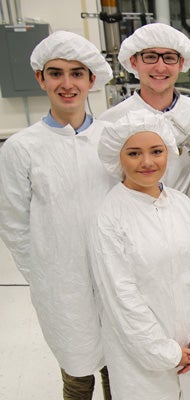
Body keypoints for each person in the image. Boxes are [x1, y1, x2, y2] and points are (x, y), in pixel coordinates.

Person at [0, 31, 115, 399]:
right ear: (40, 78)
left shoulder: (113, 140)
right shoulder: (22, 147)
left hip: (115, 277)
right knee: (77, 373)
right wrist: (43, 275)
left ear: (91, 80)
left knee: (122, 367)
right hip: (61, 283)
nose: (67, 84)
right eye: (56, 73)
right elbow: (14, 221)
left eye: (77, 73)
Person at [89, 110, 190, 400]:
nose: (147, 162)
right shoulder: (110, 216)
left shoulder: (181, 205)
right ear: (119, 158)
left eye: (156, 151)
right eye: (135, 153)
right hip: (142, 361)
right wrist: (167, 353)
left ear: (168, 153)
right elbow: (122, 299)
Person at [99, 22, 190, 192]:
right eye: (150, 57)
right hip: (132, 214)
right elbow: (107, 182)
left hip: (183, 212)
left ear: (181, 63)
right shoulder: (112, 120)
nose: (160, 67)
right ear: (134, 61)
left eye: (169, 58)